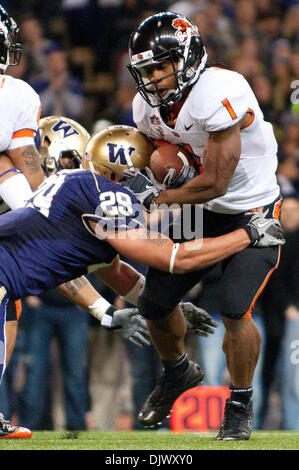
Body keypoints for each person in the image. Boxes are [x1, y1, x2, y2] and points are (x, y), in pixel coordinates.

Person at [121, 11, 284, 439]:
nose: (153, 78)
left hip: (252, 212)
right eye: (146, 69)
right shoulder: (146, 105)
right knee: (154, 304)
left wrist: (155, 196)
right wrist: (155, 169)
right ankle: (177, 373)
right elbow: (162, 153)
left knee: (234, 308)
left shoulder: (220, 90)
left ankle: (240, 403)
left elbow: (213, 183)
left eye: (161, 65)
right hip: (201, 211)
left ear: (188, 57)